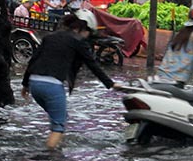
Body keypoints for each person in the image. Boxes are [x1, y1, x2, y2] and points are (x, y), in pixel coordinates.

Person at [21, 9, 121, 149]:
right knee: (58, 127)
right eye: (88, 33)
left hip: (35, 84)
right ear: (83, 28)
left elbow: (33, 60)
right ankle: (48, 160)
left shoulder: (50, 37)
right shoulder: (78, 41)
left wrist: (25, 85)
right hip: (52, 86)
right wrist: (111, 84)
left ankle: (57, 145)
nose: (87, 37)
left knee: (60, 117)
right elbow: (93, 65)